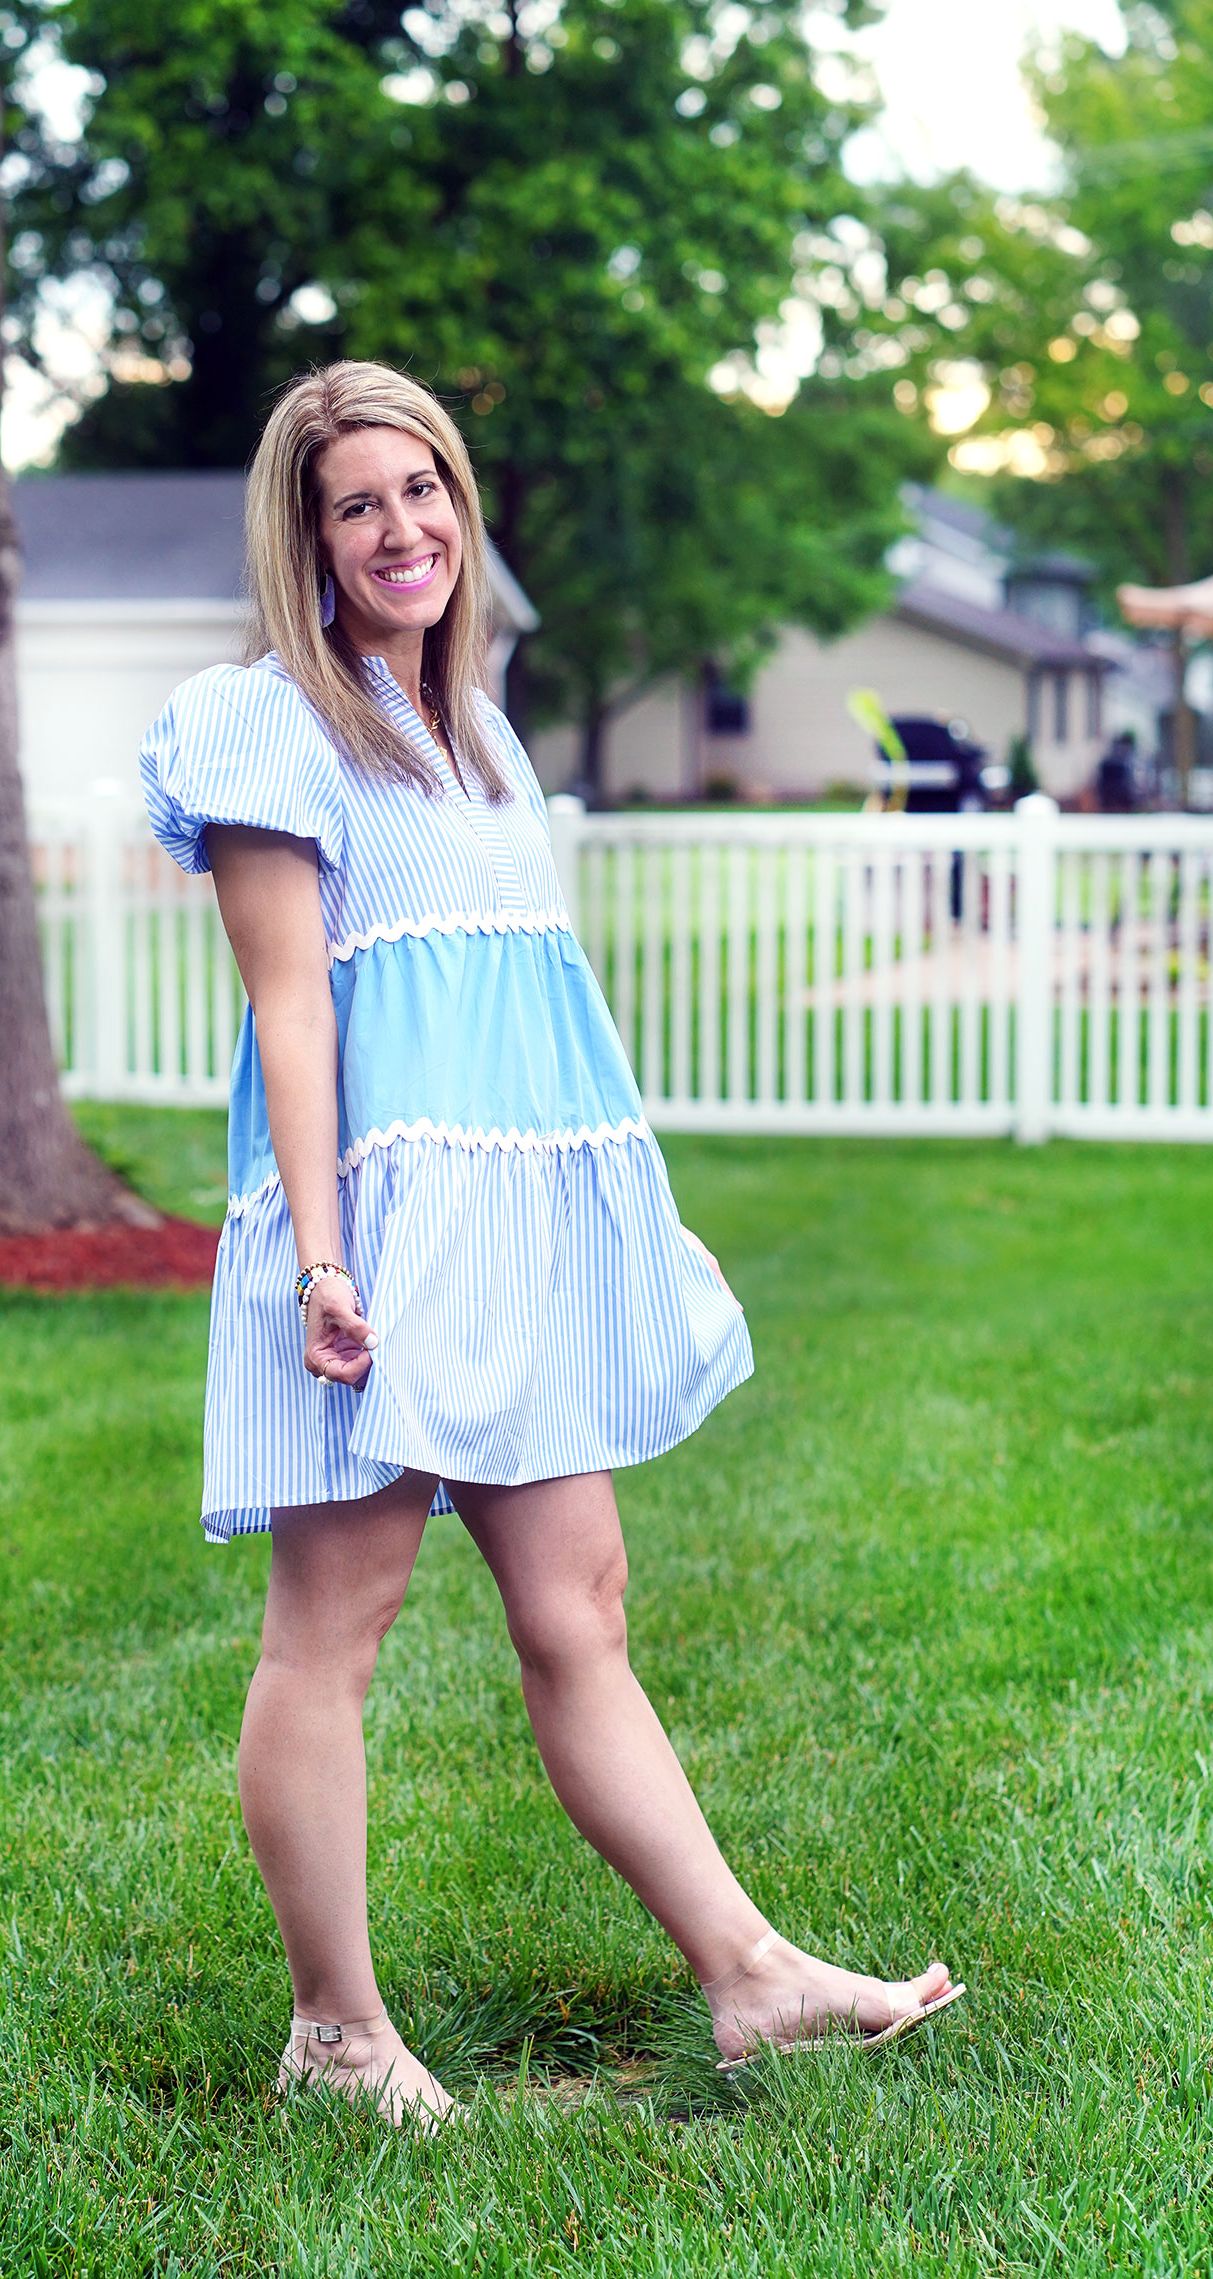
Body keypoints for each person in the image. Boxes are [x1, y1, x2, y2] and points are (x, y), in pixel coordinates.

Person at [140, 362, 962, 2126]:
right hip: (376, 1231)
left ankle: (749, 1977)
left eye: (421, 487)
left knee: (578, 1605)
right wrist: (327, 1263)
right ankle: (338, 2037)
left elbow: (522, 1002)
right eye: (356, 504)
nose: (401, 528)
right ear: (310, 539)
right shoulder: (271, 721)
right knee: (331, 1630)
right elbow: (295, 1009)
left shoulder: (485, 730)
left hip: (515, 1225)